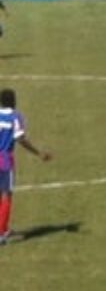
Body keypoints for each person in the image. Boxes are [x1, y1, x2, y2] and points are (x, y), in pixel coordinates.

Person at [0, 88, 52, 244]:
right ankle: (1, 233)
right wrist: (39, 153)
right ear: (14, 101)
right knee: (6, 195)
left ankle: (4, 228)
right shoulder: (16, 117)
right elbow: (21, 139)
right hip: (4, 159)